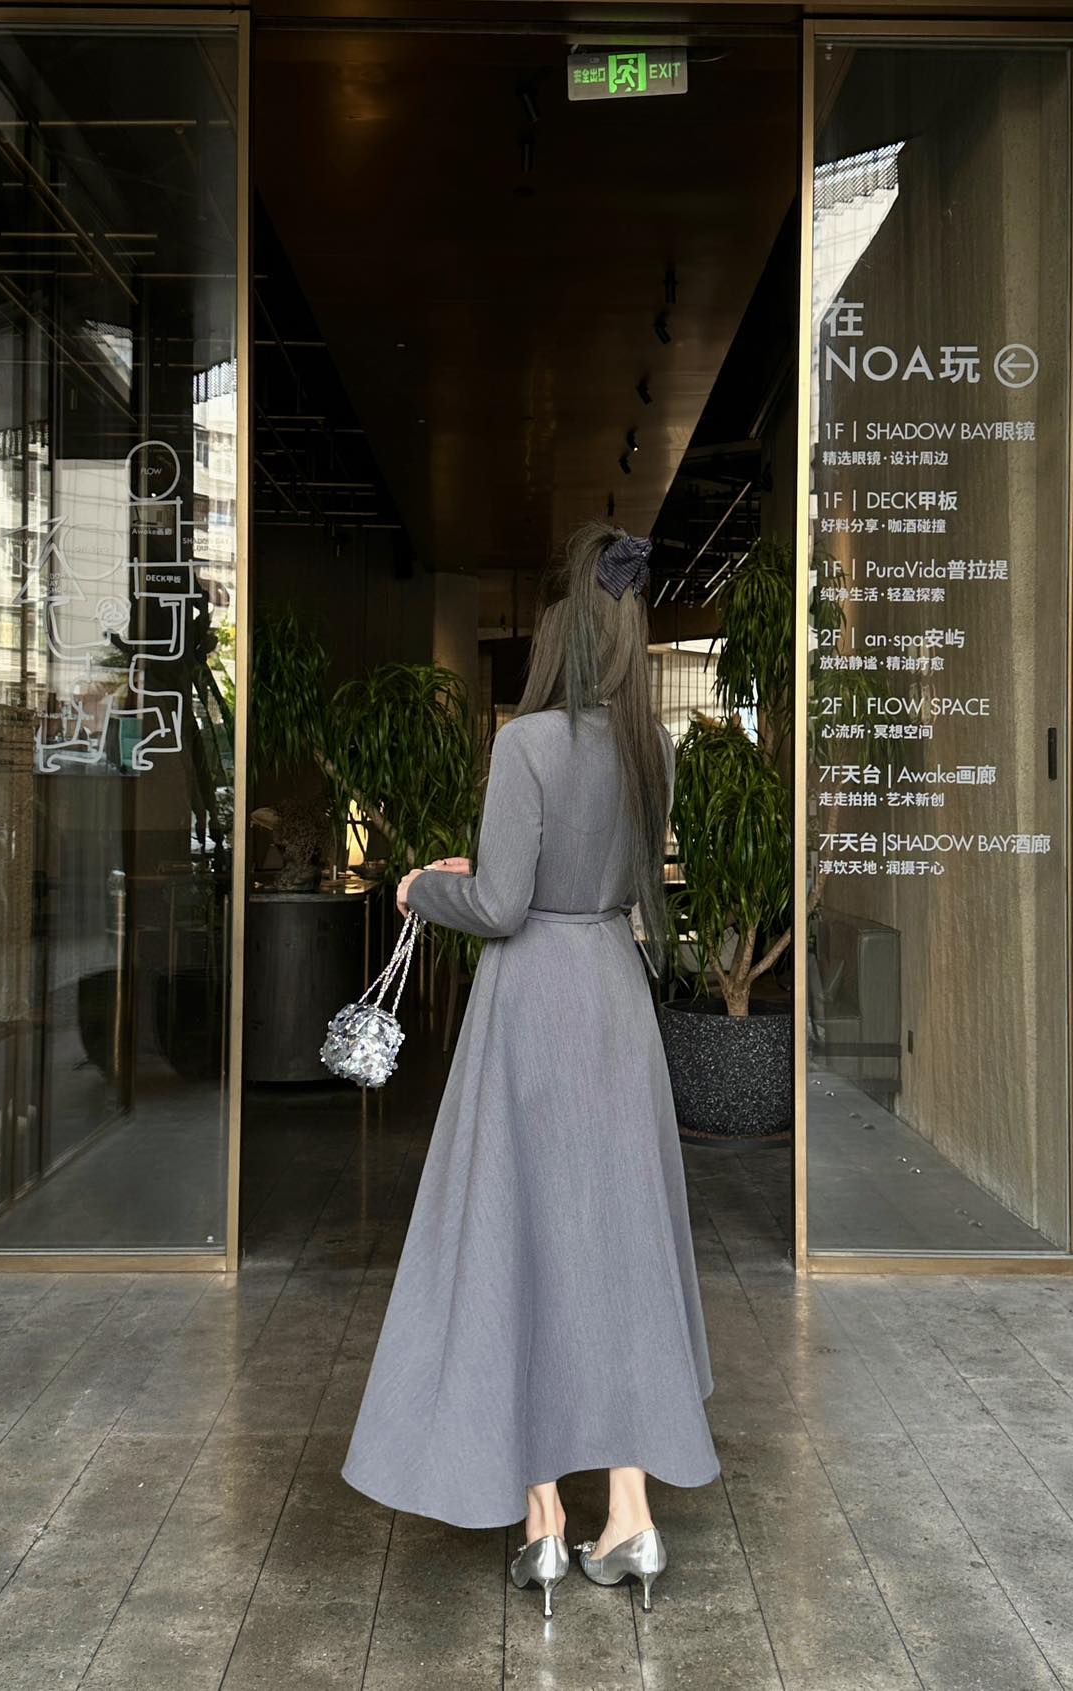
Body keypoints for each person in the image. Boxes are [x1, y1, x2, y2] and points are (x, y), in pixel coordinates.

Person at [340, 522, 718, 1616]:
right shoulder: (651, 749)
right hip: (612, 999)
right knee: (619, 1246)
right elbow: (610, 882)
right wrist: (495, 874)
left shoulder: (526, 743)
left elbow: (503, 903)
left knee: (521, 1240)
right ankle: (632, 1514)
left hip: (531, 1009)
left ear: (558, 637)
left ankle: (543, 1517)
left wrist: (421, 886)